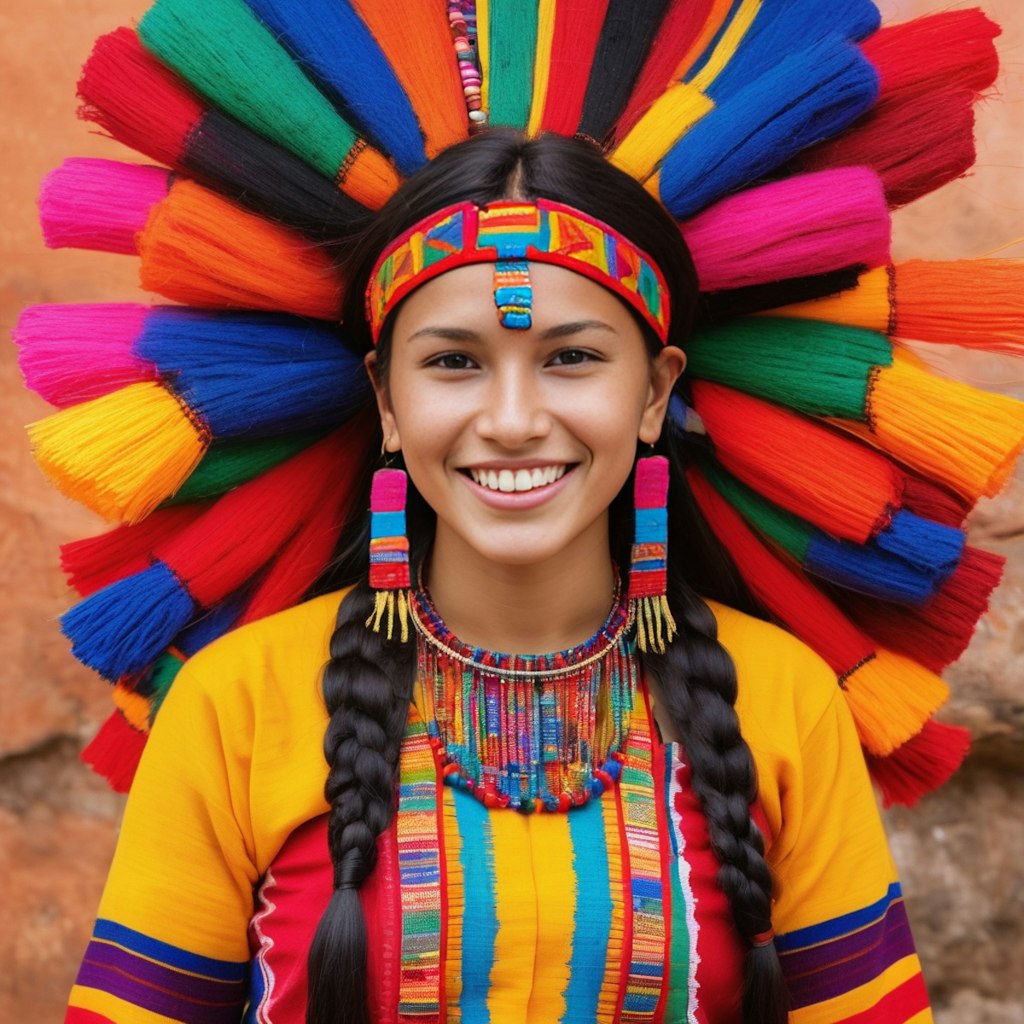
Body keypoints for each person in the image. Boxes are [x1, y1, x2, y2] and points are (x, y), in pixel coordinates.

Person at [20, 3, 1023, 1023]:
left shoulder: (781, 702)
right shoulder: (236, 706)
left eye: (572, 358)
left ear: (651, 392)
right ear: (386, 402)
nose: (511, 419)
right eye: (454, 362)